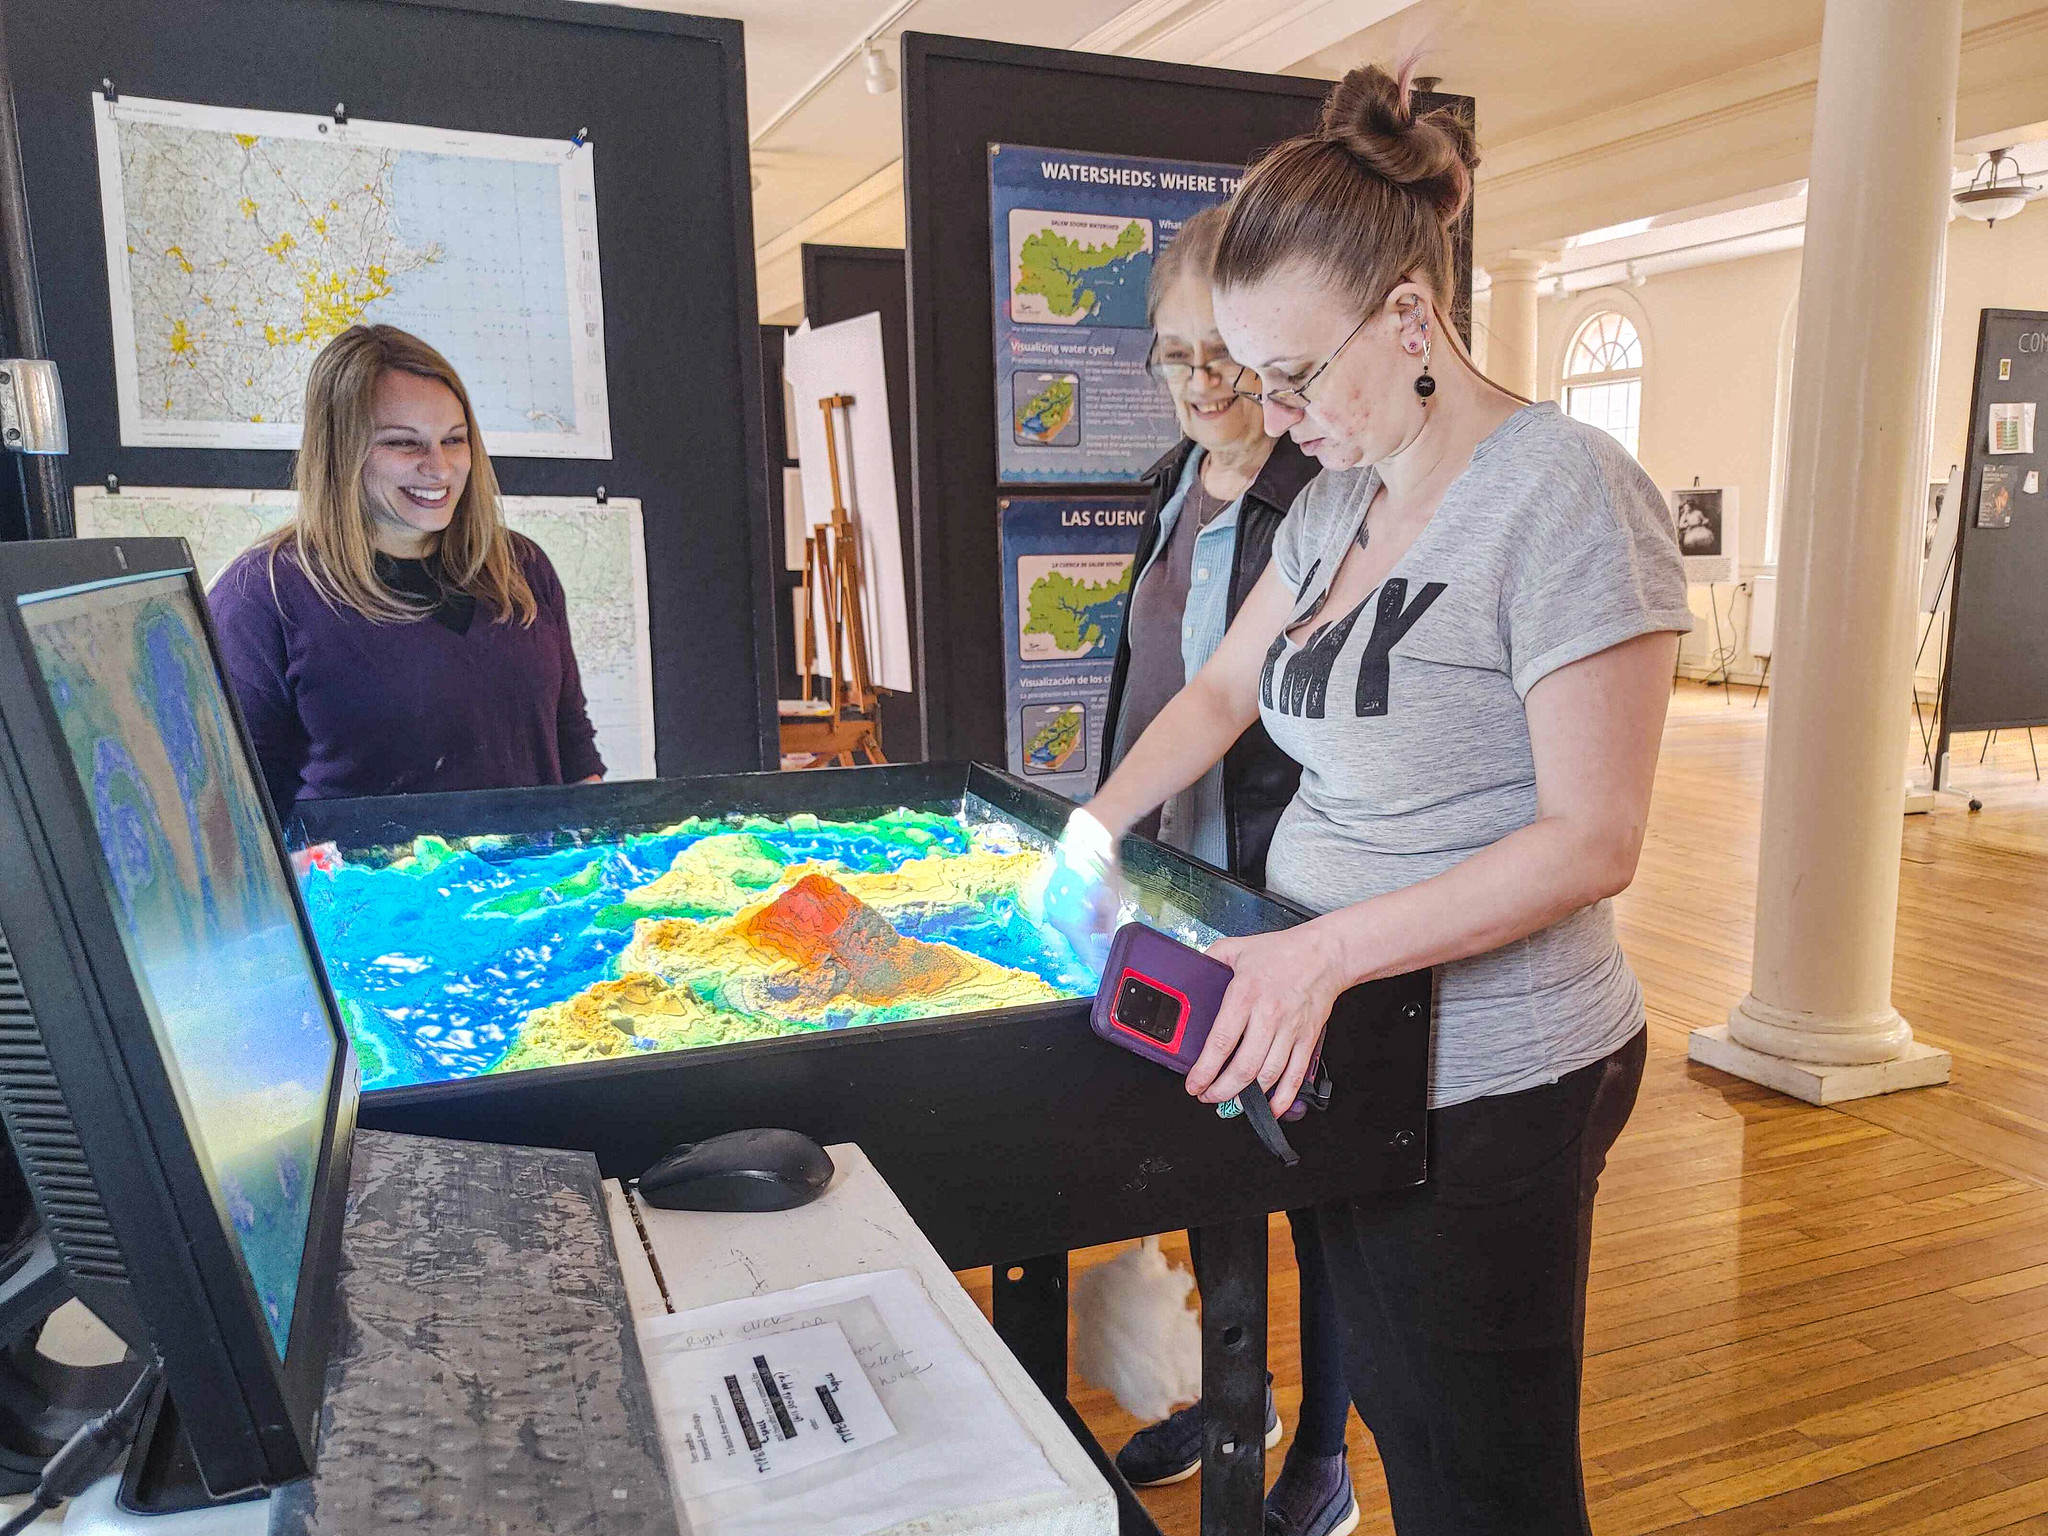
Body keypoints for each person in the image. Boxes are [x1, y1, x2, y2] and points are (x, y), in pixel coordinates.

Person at [1064, 64, 1691, 1534]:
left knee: (1490, 1478)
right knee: (1405, 1425)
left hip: (1498, 1074)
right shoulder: (1342, 496)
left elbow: (1595, 841)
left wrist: (1326, 949)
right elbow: (1219, 693)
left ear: (1410, 319)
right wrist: (1095, 825)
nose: (1270, 416)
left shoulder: (1566, 495)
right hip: (1352, 1048)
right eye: (1247, 377)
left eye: (1293, 375)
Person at [1095, 205, 1356, 1536]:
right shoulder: (1169, 483)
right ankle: (1236, 1396)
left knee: (1308, 1179)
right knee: (1208, 1153)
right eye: (1175, 354)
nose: (1203, 383)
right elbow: (1156, 689)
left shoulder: (1319, 504)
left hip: (1279, 893)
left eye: (1226, 356)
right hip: (1174, 882)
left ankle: (1322, 1442)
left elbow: (1247, 699)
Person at [210, 325, 604, 810]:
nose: (438, 468)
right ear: (341, 452)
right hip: (362, 886)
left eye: (454, 440)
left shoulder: (520, 568)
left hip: (534, 883)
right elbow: (239, 810)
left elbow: (572, 747)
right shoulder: (261, 596)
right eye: (404, 443)